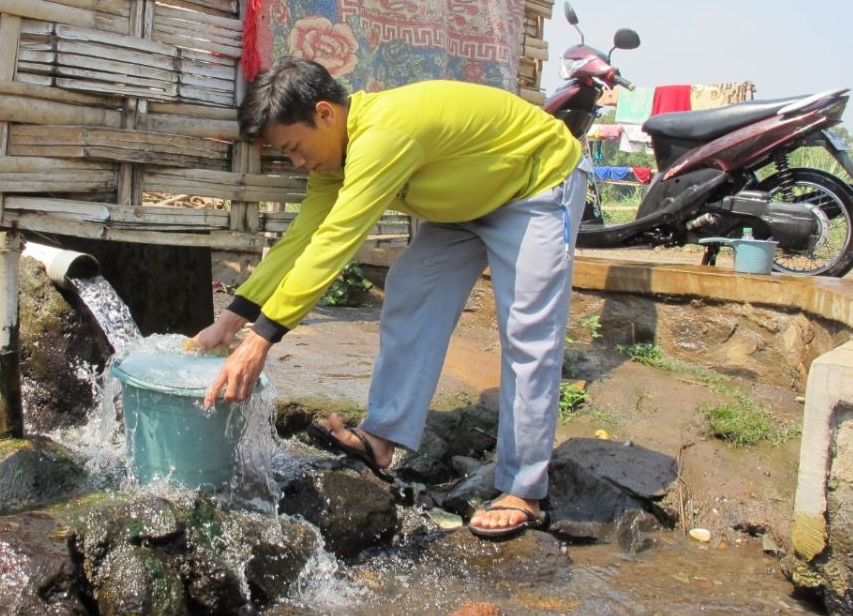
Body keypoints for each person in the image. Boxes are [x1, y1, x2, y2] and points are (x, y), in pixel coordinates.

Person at [192, 57, 589, 538]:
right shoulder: (334, 159)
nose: (297, 162)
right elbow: (304, 237)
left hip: (536, 182)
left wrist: (262, 340)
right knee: (410, 291)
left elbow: (336, 241)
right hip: (466, 200)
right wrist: (232, 320)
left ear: (325, 113)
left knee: (528, 329)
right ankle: (380, 439)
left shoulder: (382, 136)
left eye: (295, 148)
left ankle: (523, 488)